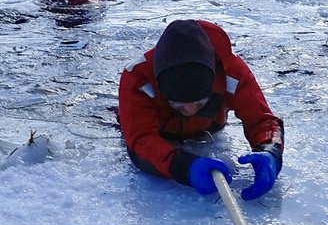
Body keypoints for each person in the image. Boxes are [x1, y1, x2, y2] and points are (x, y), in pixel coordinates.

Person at [118, 18, 284, 200]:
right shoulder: (137, 79)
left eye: (199, 103)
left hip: (210, 130)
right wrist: (182, 167)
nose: (189, 111)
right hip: (162, 134)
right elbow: (140, 138)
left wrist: (270, 151)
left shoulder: (233, 72)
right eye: (177, 105)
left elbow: (262, 120)